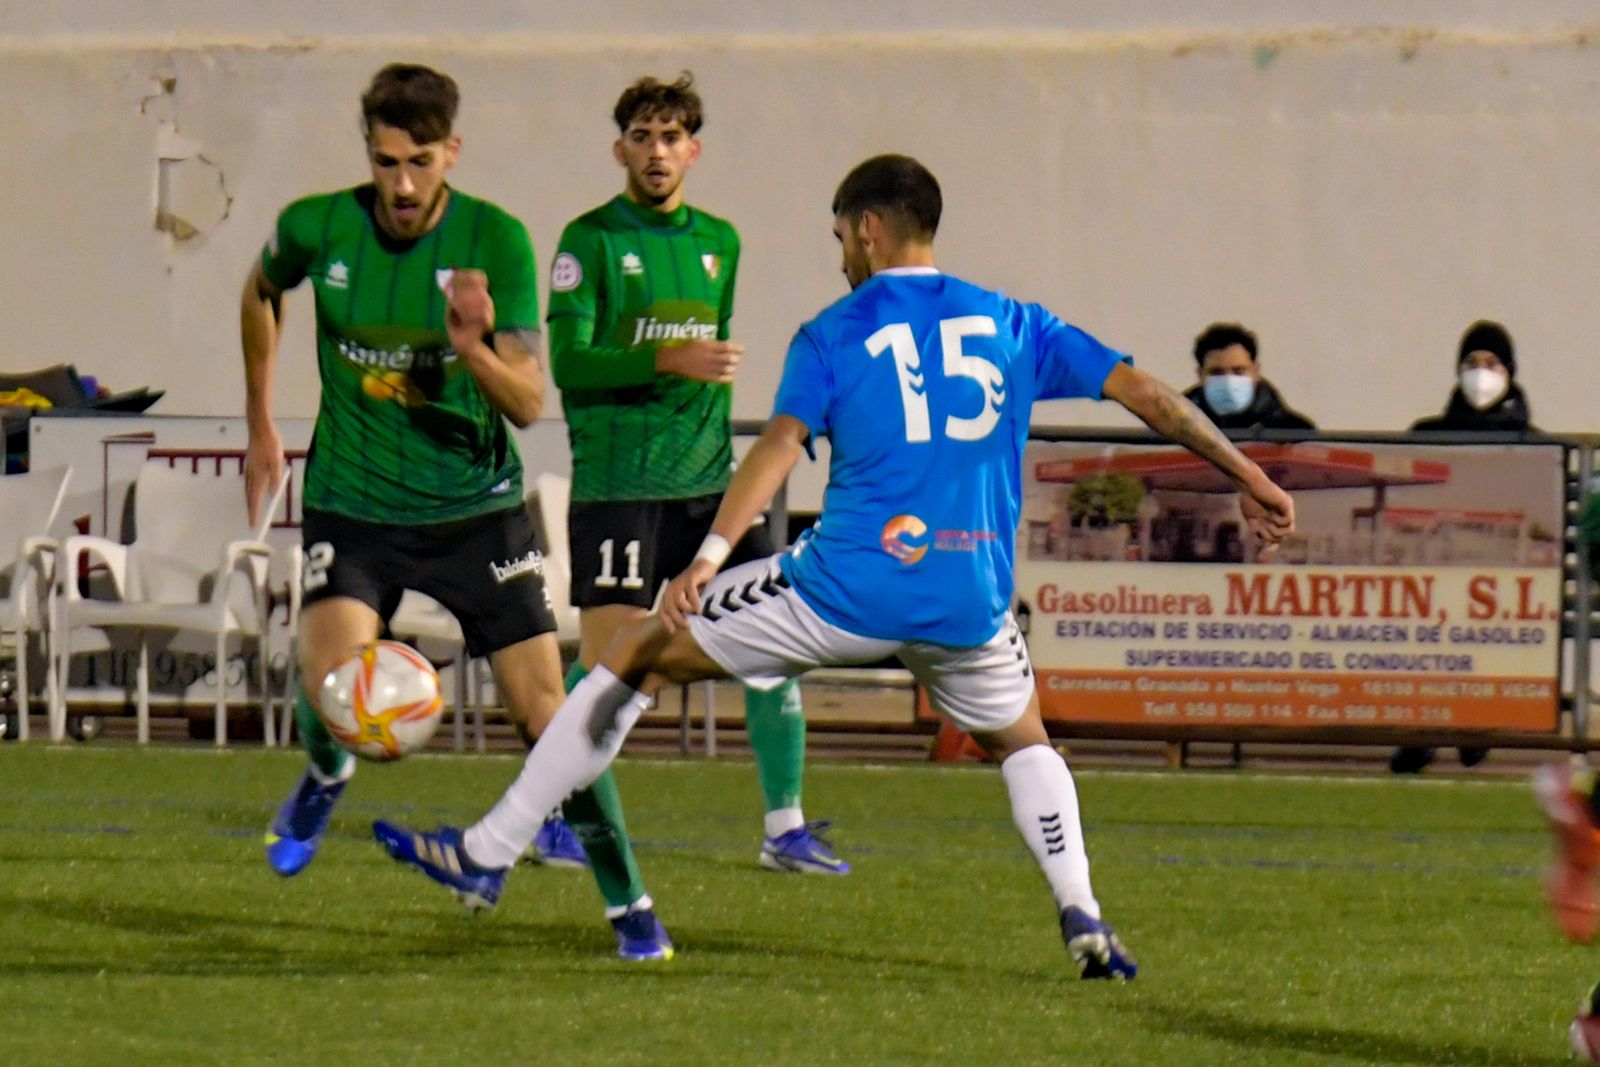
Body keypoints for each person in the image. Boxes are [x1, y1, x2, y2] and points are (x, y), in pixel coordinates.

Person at [370, 153, 1296, 973]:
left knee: (637, 650)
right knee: (1026, 743)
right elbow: (1143, 393)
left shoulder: (834, 330)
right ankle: (1083, 912)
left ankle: (491, 848)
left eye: (841, 238)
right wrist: (1249, 472)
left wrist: (713, 555)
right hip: (969, 602)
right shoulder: (1016, 322)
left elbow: (779, 442)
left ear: (867, 229)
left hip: (842, 590)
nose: (840, 255)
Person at [241, 63, 671, 960]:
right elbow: (260, 288)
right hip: (353, 503)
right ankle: (327, 769)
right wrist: (260, 422)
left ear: (452, 152)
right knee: (327, 680)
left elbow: (525, 403)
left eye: (421, 161)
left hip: (477, 513)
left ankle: (631, 908)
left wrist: (471, 345)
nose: (402, 184)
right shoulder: (316, 226)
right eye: (387, 161)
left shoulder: (497, 242)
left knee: (549, 717)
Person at [545, 72, 845, 873]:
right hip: (619, 485)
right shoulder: (590, 241)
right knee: (612, 660)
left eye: (671, 137)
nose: (656, 151)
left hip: (708, 488)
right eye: (641, 137)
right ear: (620, 150)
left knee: (770, 648)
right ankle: (552, 810)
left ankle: (785, 826)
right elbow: (569, 364)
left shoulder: (721, 241)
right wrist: (666, 356)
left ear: (693, 150)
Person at [1390, 319, 1531, 774]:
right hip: (1435, 567)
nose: (1480, 373)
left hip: (1503, 573)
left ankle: (1475, 725)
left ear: (1510, 371)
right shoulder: (1428, 433)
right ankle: (1424, 731)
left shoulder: (1533, 443)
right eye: (1471, 363)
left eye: (1491, 363)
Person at [1182, 322, 1315, 431]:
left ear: (1255, 372)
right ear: (1200, 375)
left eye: (1238, 371)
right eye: (1217, 372)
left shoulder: (1294, 431)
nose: (1228, 381)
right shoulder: (1174, 430)